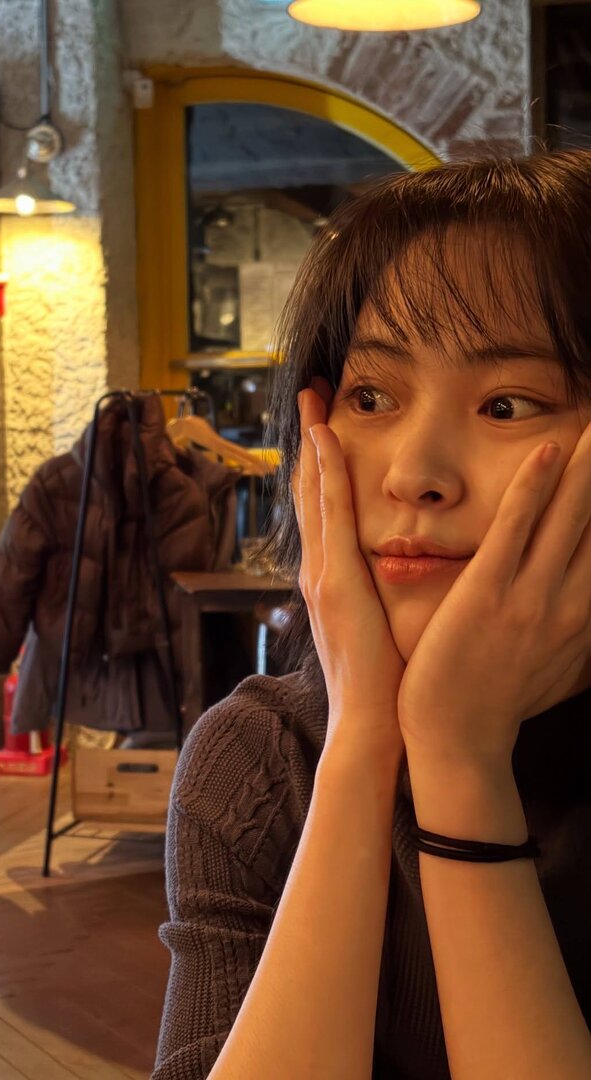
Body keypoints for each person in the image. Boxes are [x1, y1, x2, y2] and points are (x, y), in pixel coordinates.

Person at [151, 150, 591, 1079]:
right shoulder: (258, 759)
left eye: (505, 403)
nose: (413, 474)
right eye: (370, 396)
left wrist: (459, 754)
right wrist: (362, 739)